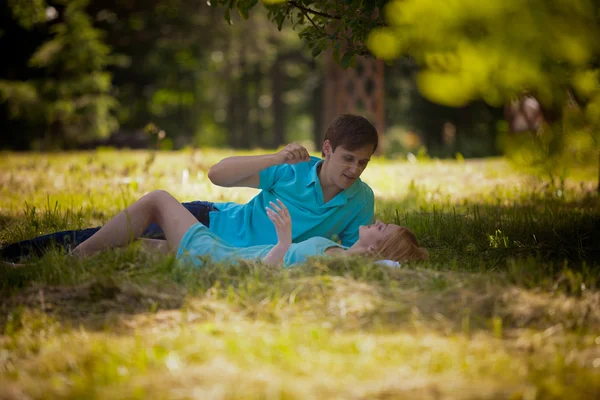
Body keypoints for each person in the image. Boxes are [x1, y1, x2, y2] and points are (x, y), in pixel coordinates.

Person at [2, 114, 378, 261]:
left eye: (363, 162)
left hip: (232, 255)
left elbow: (345, 250)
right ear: (327, 149)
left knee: (129, 254)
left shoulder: (361, 200)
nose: (355, 169)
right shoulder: (292, 171)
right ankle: (15, 255)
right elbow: (218, 174)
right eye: (348, 158)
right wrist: (276, 158)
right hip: (208, 222)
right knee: (101, 238)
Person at [69, 190, 428, 267]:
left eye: (383, 228)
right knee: (138, 249)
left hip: (218, 259)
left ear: (376, 248)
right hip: (224, 254)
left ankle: (71, 259)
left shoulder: (333, 261)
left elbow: (267, 277)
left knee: (159, 201)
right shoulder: (336, 254)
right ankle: (47, 264)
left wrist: (284, 240)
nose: (377, 221)